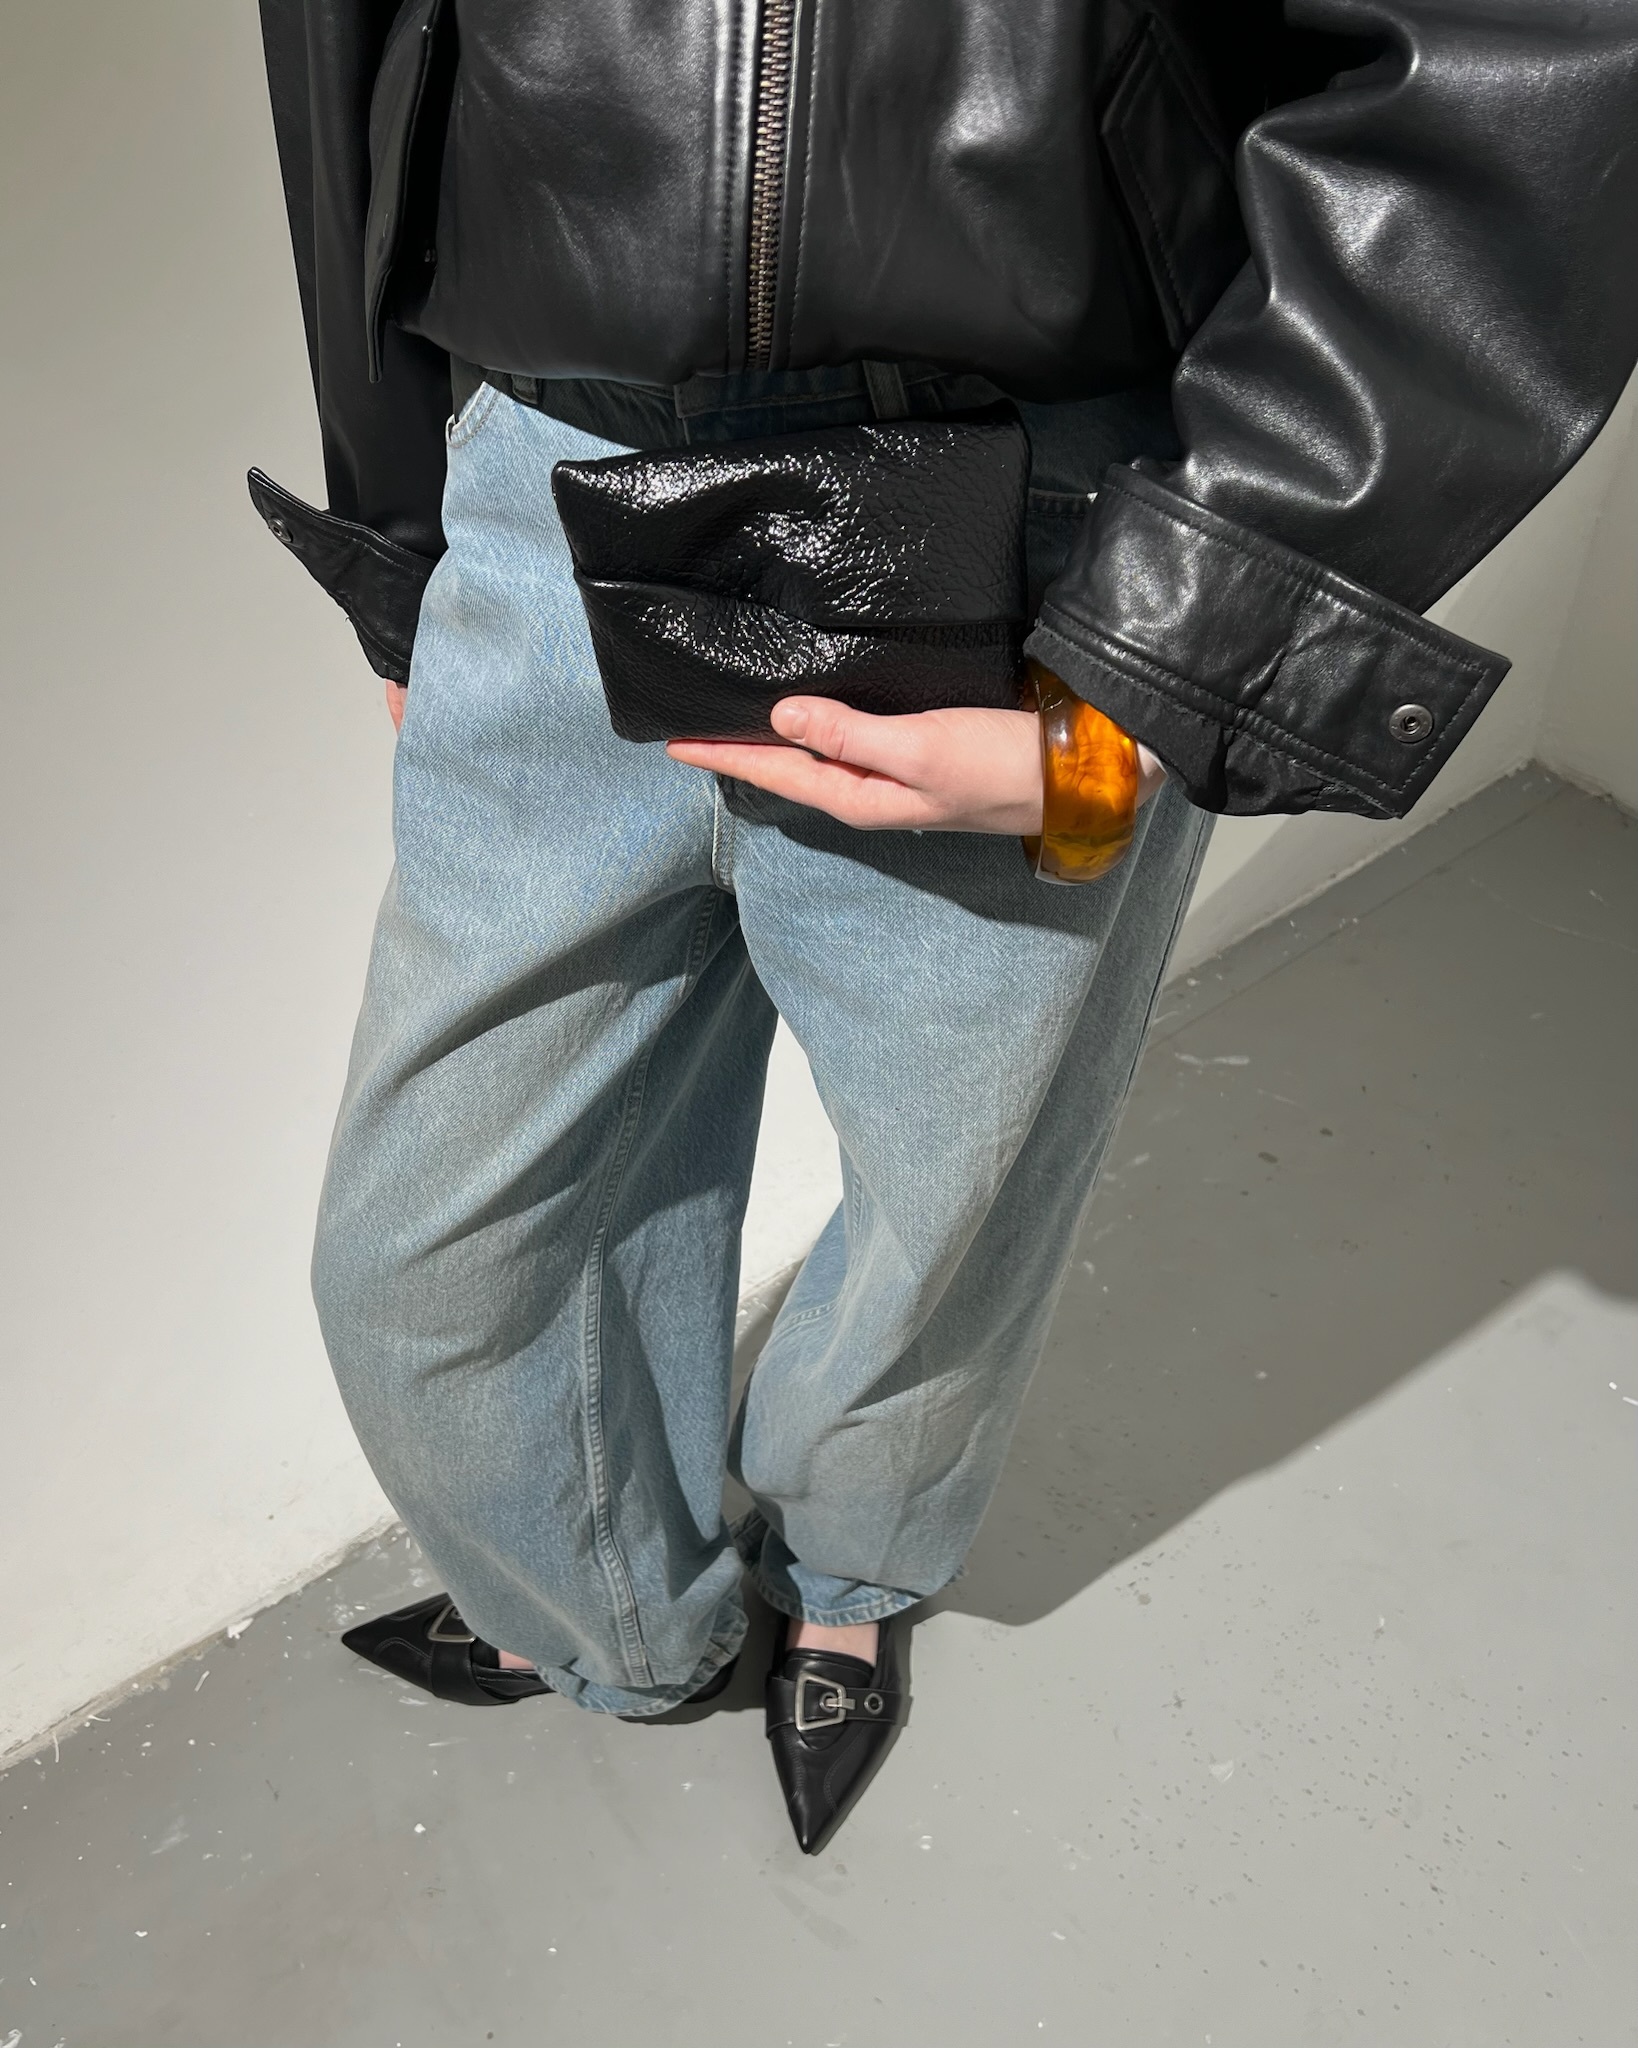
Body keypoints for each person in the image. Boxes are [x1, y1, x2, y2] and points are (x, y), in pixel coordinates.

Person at [252, 0, 1637, 1853]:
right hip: (532, 491)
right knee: (425, 1259)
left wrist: (1152, 677)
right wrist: (396, 529)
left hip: (1046, 549)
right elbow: (337, 44)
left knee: (954, 1191)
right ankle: (602, 1613)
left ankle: (850, 1580)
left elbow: (1525, 62)